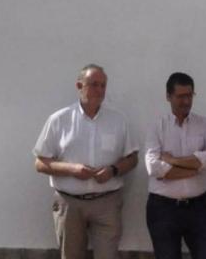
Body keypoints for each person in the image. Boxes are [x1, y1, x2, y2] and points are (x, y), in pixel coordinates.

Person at [33, 64, 138, 259]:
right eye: (94, 84)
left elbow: (132, 158)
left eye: (103, 85)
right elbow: (40, 163)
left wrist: (113, 170)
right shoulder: (59, 120)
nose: (100, 90)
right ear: (79, 85)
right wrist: (72, 169)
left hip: (107, 203)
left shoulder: (118, 120)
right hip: (69, 203)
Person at [144, 72, 206, 259]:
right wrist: (196, 167)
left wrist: (173, 160)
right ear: (168, 96)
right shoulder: (156, 127)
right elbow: (153, 168)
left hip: (198, 207)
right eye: (180, 96)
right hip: (163, 209)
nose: (186, 101)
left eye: (189, 95)